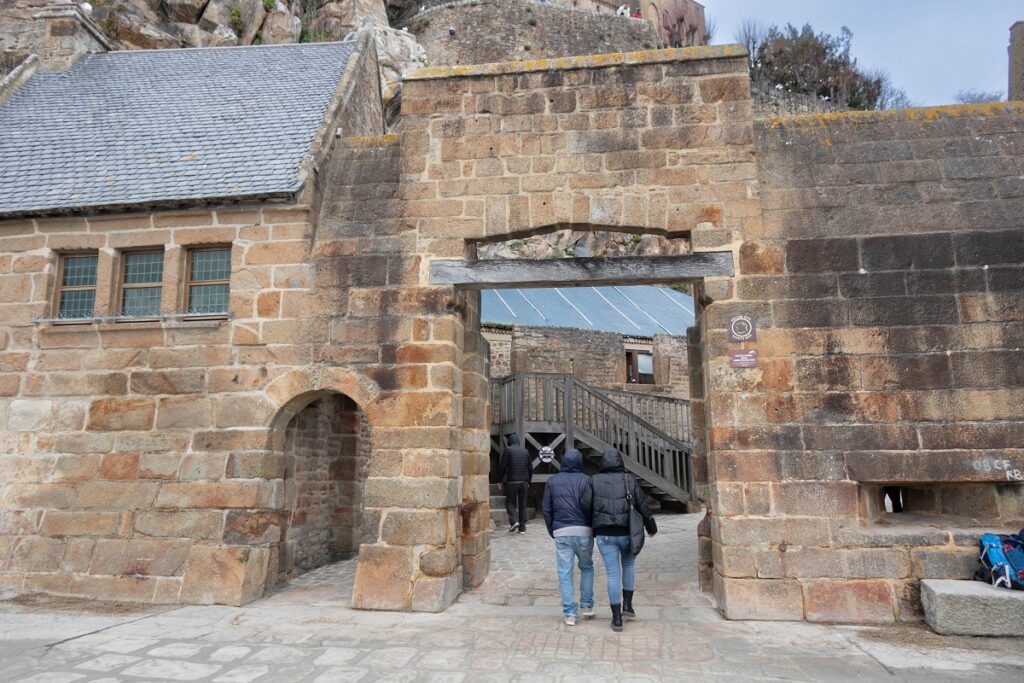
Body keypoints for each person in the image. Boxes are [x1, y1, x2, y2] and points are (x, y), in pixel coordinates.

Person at [590, 449, 657, 632]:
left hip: (605, 534)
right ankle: (628, 605)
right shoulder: (629, 480)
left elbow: (586, 505)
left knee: (613, 574)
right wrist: (652, 528)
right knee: (628, 565)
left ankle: (616, 618)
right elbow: (643, 506)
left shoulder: (594, 480)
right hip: (627, 532)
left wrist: (592, 525)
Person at [541, 448, 595, 626]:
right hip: (584, 530)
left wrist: (552, 530)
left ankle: (570, 613)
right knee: (586, 567)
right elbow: (593, 507)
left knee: (565, 573)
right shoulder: (587, 481)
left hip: (562, 531)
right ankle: (587, 606)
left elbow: (547, 510)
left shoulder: (552, 481)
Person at [498, 433, 531, 533]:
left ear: (509, 442)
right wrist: (529, 481)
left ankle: (513, 521)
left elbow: (502, 466)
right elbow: (530, 468)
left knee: (509, 501)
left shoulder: (508, 450)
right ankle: (522, 528)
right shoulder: (526, 451)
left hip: (512, 481)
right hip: (524, 481)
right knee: (523, 503)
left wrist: (499, 480)